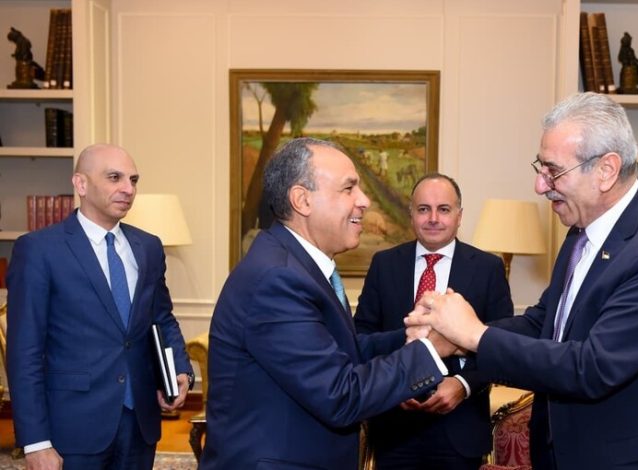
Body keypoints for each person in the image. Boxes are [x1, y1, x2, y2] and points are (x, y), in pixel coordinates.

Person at [406, 92, 638, 469]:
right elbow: (543, 323)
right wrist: (457, 340)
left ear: (606, 170)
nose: (540, 186)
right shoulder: (581, 232)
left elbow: (594, 367)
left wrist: (475, 334)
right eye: (540, 168)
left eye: (553, 171)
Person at [201, 137, 448, 469]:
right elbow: (340, 395)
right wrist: (431, 349)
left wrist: (415, 335)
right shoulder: (277, 279)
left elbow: (342, 351)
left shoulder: (299, 265)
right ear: (302, 200)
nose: (364, 201)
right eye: (349, 188)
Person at [6, 144, 194, 470]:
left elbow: (162, 318)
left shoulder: (148, 247)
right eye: (114, 177)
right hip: (72, 427)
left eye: (133, 180)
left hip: (140, 423)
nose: (128, 189)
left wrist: (179, 368)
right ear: (80, 184)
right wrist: (35, 441)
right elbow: (24, 352)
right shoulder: (38, 250)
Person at [354, 173, 514, 470]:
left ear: (459, 216)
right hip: (394, 430)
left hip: (460, 429)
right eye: (423, 209)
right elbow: (362, 336)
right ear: (411, 214)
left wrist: (463, 385)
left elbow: (500, 344)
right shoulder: (384, 264)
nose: (433, 218)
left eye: (444, 209)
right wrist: (394, 382)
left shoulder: (488, 268)